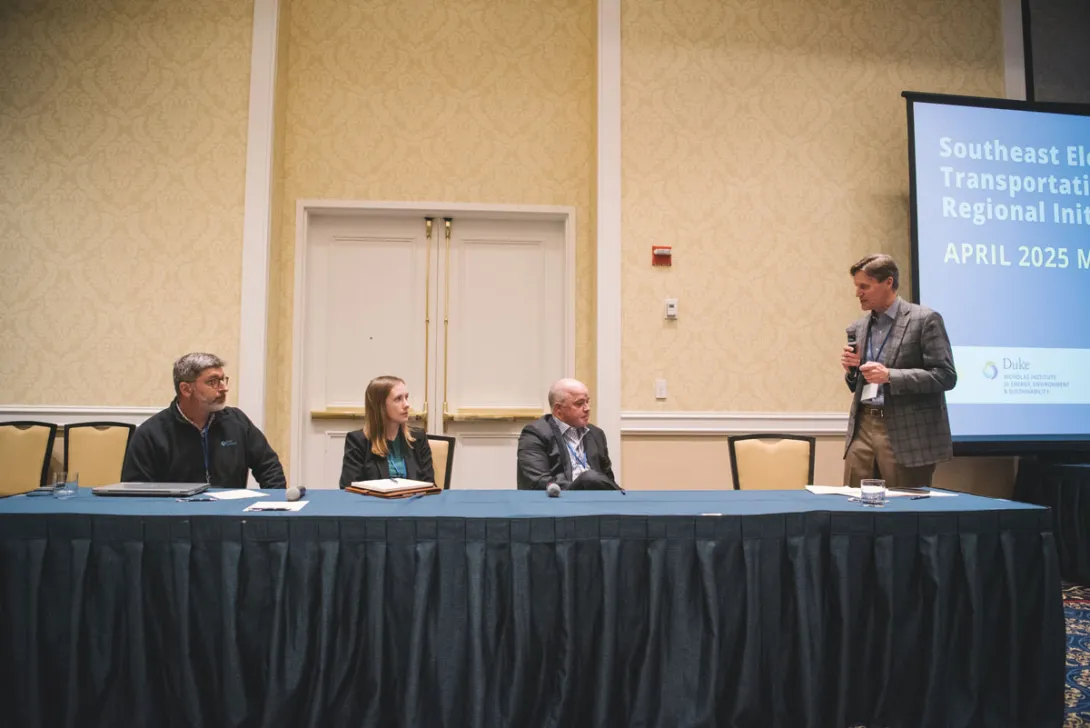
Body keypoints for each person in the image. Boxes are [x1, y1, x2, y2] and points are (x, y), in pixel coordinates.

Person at [840, 254, 957, 490]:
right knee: (853, 502)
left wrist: (890, 376)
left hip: (906, 432)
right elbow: (857, 384)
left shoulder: (924, 320)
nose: (858, 293)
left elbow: (945, 376)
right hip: (863, 425)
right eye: (856, 286)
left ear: (888, 282)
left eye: (864, 286)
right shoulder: (858, 327)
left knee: (903, 507)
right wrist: (851, 371)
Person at [121, 353, 286, 488]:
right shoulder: (152, 433)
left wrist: (274, 504)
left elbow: (269, 467)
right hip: (176, 516)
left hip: (230, 514)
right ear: (186, 389)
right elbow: (136, 490)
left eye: (223, 380)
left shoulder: (236, 421)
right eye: (213, 382)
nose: (224, 388)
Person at [517, 378, 617, 490]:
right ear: (558, 409)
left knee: (591, 478)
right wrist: (582, 486)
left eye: (587, 402)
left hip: (596, 497)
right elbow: (539, 481)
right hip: (558, 497)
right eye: (579, 403)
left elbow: (608, 479)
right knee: (589, 477)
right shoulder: (535, 434)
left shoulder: (596, 433)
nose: (587, 408)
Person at [339, 376, 434, 488]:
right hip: (374, 500)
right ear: (381, 406)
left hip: (414, 499)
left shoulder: (418, 438)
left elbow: (430, 486)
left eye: (406, 397)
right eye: (398, 399)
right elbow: (349, 488)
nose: (406, 404)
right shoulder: (358, 441)